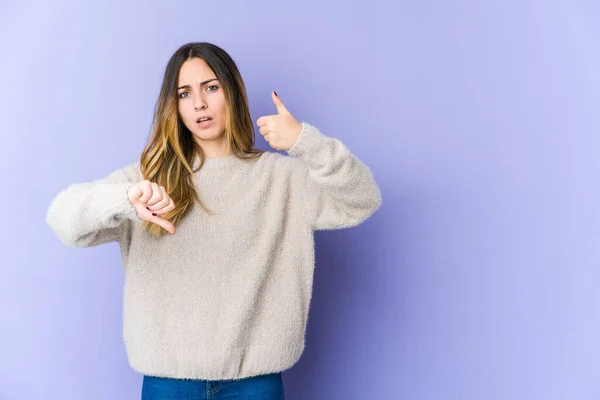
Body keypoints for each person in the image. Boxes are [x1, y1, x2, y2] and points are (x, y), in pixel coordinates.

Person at [46, 41, 382, 399]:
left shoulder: (282, 179)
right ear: (173, 107)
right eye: (184, 93)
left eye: (210, 87)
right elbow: (64, 219)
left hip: (256, 383)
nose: (199, 104)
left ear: (232, 93)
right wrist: (125, 199)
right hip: (168, 384)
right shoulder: (147, 181)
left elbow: (362, 199)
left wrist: (305, 141)